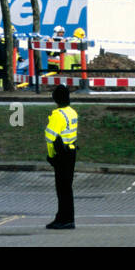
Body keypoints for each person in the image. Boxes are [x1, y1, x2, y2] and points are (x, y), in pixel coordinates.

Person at [44, 84, 78, 230]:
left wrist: (51, 156)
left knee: (62, 189)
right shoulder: (72, 112)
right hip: (71, 152)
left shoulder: (58, 115)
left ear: (55, 99)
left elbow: (50, 138)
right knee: (67, 188)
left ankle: (65, 219)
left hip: (61, 154)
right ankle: (64, 217)